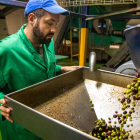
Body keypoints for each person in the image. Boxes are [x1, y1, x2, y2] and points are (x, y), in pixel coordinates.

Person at [0, 0, 81, 139]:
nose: (54, 30)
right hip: (20, 130)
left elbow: (40, 69)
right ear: (32, 18)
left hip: (46, 121)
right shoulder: (7, 50)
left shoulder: (47, 43)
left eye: (56, 23)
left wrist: (61, 68)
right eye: (49, 23)